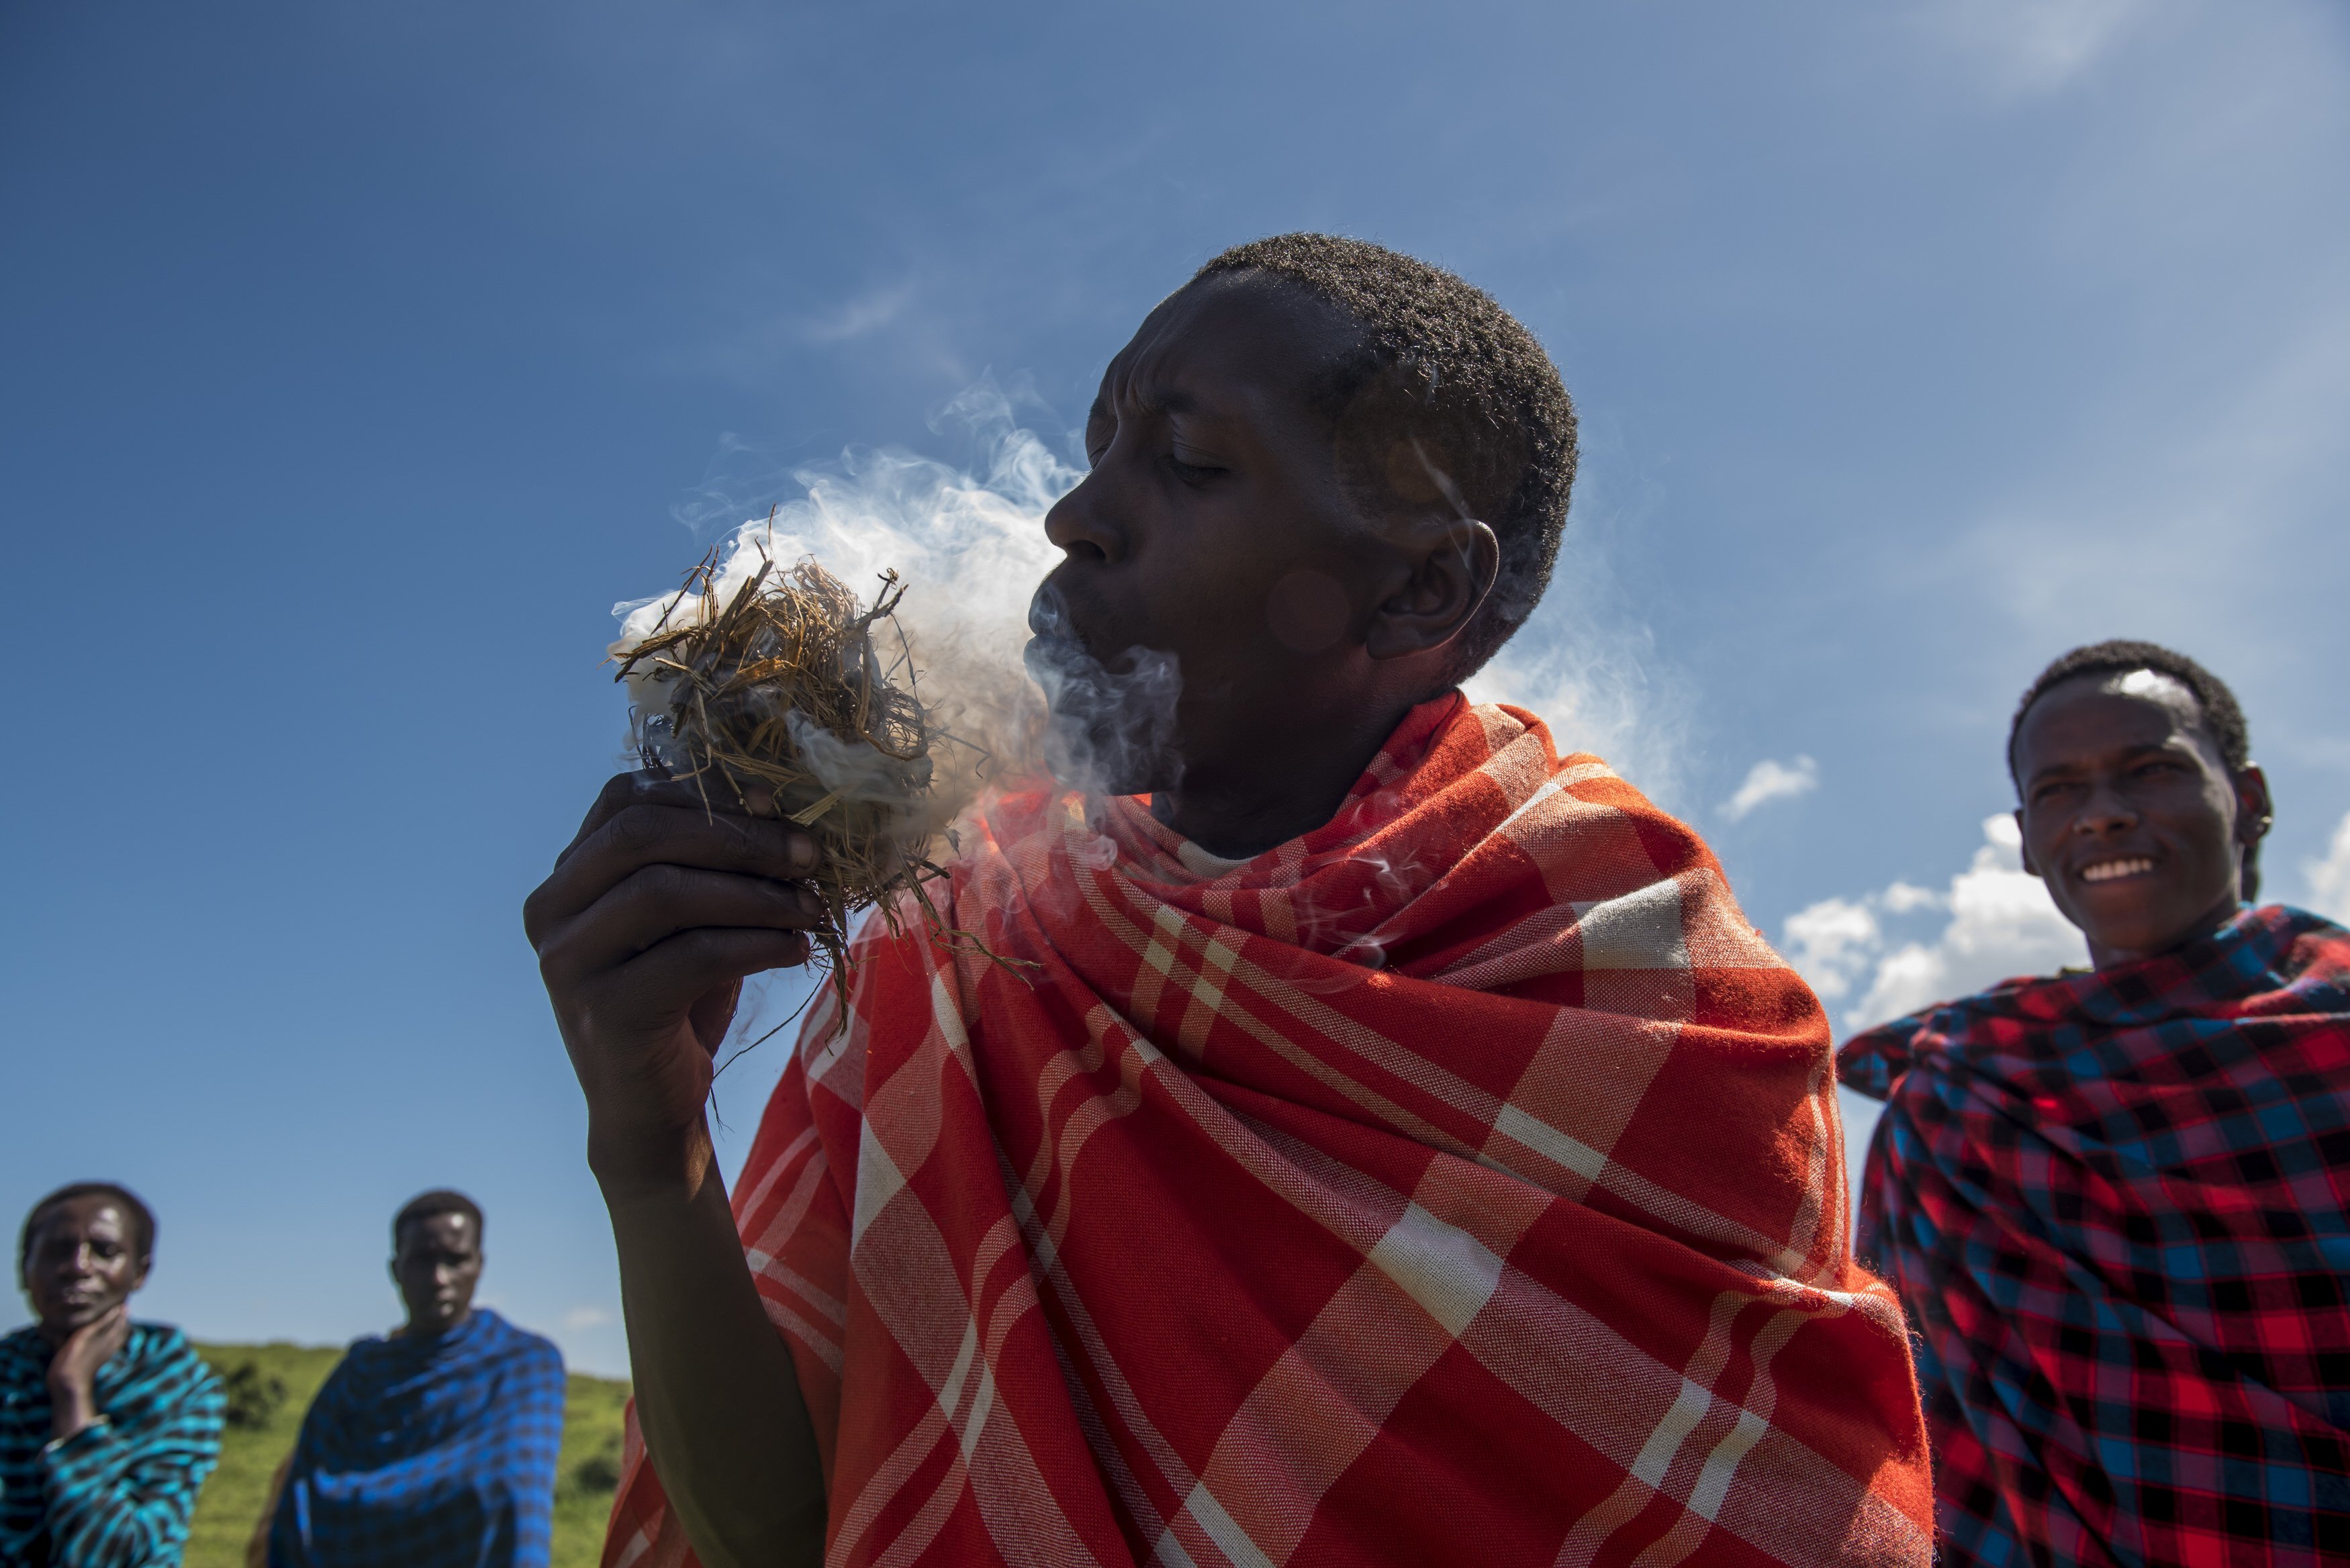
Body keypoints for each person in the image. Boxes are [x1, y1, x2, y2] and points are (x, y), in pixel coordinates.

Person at [529, 233, 1934, 1568]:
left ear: (1421, 590)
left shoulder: (1647, 991)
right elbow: (780, 1535)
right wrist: (650, 1153)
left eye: (1190, 463)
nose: (1073, 517)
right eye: (1097, 450)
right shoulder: (962, 930)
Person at [1840, 640, 2350, 1566]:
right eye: (2061, 792)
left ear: (2251, 800)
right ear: (2029, 841)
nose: (2104, 817)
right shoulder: (1961, 1104)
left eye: (2151, 771)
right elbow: (1917, 1439)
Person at [259, 1191, 566, 1568]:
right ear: (396, 1270)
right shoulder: (360, 1373)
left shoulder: (524, 1362)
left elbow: (511, 1492)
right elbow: (305, 1499)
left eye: (456, 1260)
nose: (439, 1279)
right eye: (422, 1261)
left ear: (479, 1264)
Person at [1, 1183, 224, 1568]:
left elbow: (114, 1553)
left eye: (105, 1252)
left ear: (139, 1273)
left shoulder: (181, 1390)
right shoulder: (8, 1374)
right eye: (57, 1250)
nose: (78, 1266)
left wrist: (72, 1391)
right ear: (24, 1269)